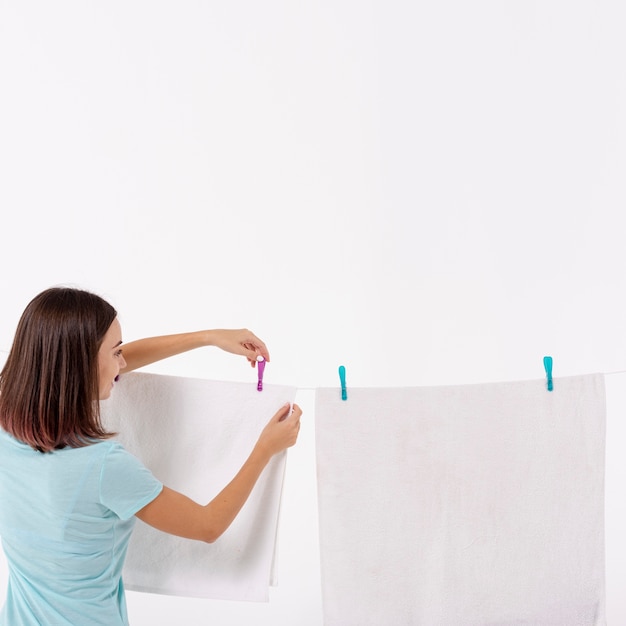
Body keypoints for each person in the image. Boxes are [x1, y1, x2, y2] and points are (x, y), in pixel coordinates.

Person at [0, 286, 302, 625]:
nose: (124, 362)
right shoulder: (102, 465)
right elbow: (207, 525)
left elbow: (85, 363)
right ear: (80, 363)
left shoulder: (4, 420)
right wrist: (265, 448)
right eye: (116, 352)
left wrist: (209, 337)